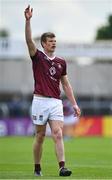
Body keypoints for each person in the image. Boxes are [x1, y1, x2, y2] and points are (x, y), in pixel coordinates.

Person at [24, 5, 81, 177]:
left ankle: (62, 167)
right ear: (43, 44)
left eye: (54, 41)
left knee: (57, 133)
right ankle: (37, 168)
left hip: (55, 102)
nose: (53, 43)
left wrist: (74, 104)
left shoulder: (61, 62)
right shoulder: (38, 57)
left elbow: (66, 85)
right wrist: (28, 21)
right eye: (50, 41)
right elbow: (28, 41)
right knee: (40, 136)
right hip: (40, 101)